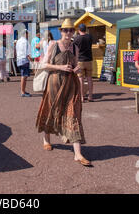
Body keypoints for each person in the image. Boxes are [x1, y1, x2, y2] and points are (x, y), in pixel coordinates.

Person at [36, 19, 91, 167]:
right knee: (50, 110)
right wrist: (60, 67)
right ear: (61, 32)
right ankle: (46, 139)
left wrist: (77, 70)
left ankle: (78, 154)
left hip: (70, 84)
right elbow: (43, 64)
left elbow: (75, 65)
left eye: (71, 30)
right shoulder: (53, 45)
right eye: (65, 30)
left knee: (73, 114)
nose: (68, 33)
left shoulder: (75, 48)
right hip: (54, 83)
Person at [74, 23, 94, 102]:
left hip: (80, 60)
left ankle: (82, 97)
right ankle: (90, 96)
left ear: (79, 30)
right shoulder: (90, 37)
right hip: (89, 59)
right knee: (89, 78)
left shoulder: (76, 39)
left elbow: (74, 49)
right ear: (85, 29)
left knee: (80, 79)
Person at [15, 30, 32, 97]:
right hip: (24, 60)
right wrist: (31, 60)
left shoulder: (18, 41)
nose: (28, 35)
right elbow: (27, 53)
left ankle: (23, 90)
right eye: (27, 34)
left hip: (19, 59)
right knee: (24, 76)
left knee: (23, 75)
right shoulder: (25, 41)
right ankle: (23, 91)